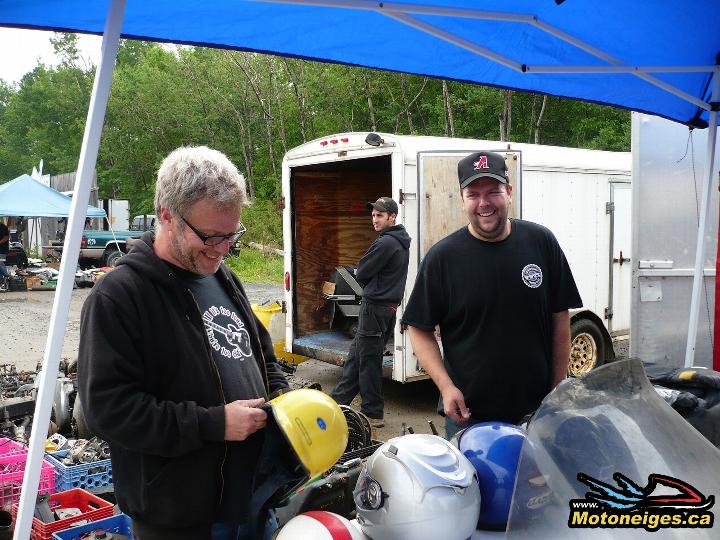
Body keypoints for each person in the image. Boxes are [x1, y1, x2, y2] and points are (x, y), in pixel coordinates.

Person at [78, 146, 289, 540]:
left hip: (253, 501)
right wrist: (214, 423)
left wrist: (281, 400)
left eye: (232, 235)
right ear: (167, 216)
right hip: (181, 518)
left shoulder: (224, 278)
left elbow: (262, 357)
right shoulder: (119, 297)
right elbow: (108, 411)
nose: (223, 249)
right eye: (210, 236)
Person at [401, 151, 582, 439]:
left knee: (538, 484)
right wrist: (446, 387)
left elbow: (560, 317)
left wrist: (557, 386)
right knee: (474, 485)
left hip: (537, 411)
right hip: (469, 417)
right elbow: (418, 328)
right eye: (473, 194)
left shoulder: (541, 242)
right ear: (463, 200)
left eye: (493, 192)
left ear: (509, 193)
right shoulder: (443, 258)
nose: (484, 203)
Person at [331, 197, 411, 428]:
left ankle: (372, 412)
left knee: (368, 362)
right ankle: (339, 403)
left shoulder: (386, 243)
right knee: (356, 358)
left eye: (379, 215)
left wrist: (364, 271)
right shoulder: (399, 241)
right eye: (373, 215)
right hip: (385, 308)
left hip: (375, 308)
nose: (374, 219)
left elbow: (362, 271)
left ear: (392, 217)